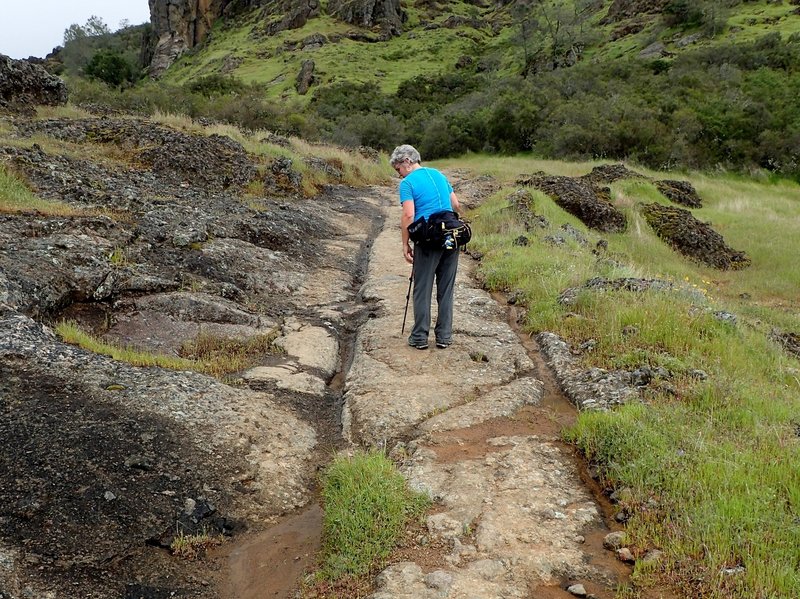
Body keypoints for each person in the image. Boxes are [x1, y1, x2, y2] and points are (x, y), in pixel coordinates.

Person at [390, 144, 462, 350]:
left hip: (429, 239)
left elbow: (408, 215)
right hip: (451, 236)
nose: (399, 175)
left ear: (407, 161)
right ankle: (444, 336)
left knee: (422, 288)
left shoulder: (408, 183)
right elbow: (455, 205)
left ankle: (420, 337)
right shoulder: (439, 174)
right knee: (446, 289)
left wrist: (405, 243)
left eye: (398, 169)